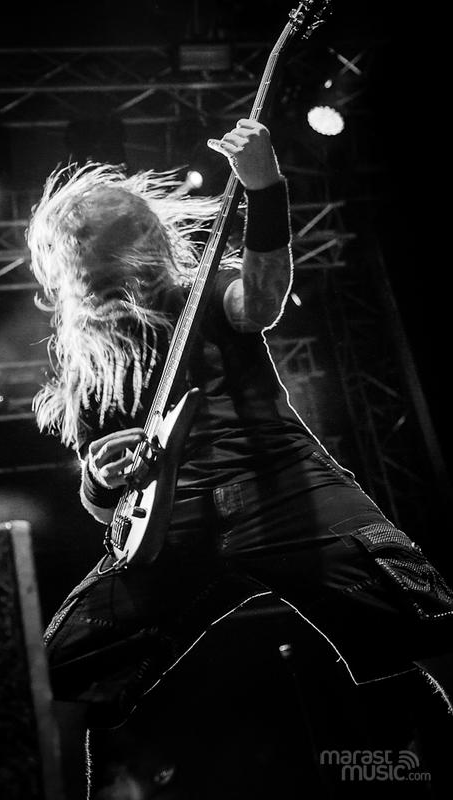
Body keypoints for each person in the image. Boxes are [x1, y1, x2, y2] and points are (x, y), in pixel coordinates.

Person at [27, 118, 453, 778]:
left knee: (432, 623)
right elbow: (101, 504)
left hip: (282, 486)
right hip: (171, 531)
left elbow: (260, 301)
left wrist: (264, 187)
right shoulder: (89, 368)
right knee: (51, 681)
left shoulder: (200, 292)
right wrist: (101, 476)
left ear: (145, 239)